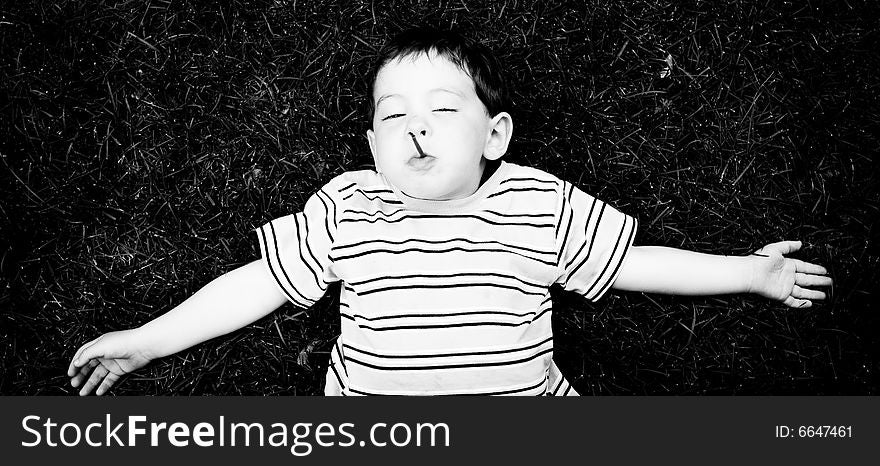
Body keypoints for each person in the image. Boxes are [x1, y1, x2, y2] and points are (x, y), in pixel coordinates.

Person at [67, 27, 832, 396]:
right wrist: (146, 340)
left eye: (440, 109)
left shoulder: (536, 202)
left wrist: (751, 274)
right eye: (392, 116)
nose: (415, 126)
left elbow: (633, 264)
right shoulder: (350, 206)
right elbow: (257, 283)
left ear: (494, 135)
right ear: (371, 143)